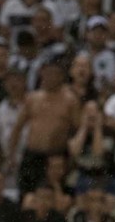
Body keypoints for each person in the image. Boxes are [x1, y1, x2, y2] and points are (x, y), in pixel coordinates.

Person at [8, 56, 81, 196]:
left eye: (53, 74)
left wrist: (72, 158)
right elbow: (17, 128)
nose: (49, 77)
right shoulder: (32, 98)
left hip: (57, 155)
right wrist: (11, 155)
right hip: (32, 154)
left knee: (54, 195)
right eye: (46, 74)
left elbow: (78, 131)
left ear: (61, 76)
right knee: (27, 194)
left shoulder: (70, 100)